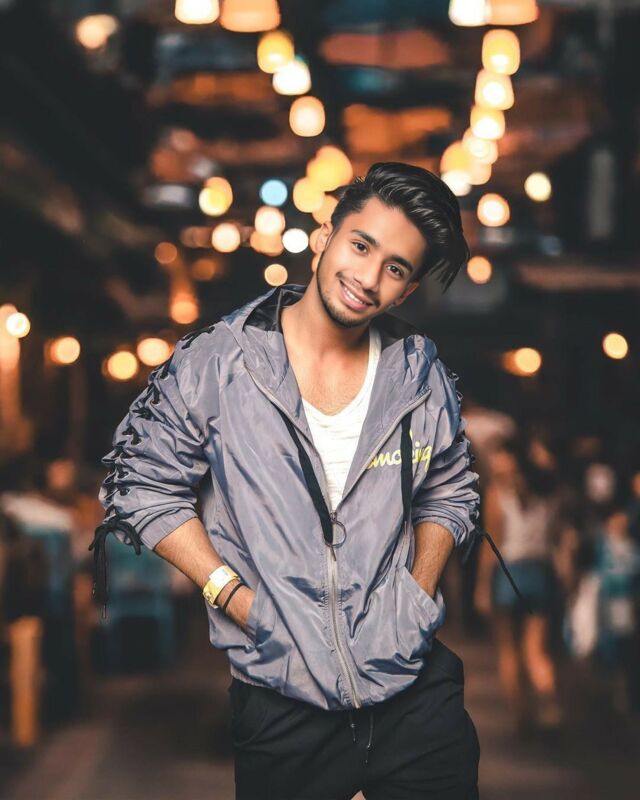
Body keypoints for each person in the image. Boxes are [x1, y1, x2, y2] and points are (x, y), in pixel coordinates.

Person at [90, 162, 515, 799]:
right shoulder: (219, 361)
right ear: (326, 235)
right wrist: (235, 598)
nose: (367, 279)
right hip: (281, 702)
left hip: (415, 698)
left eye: (395, 268)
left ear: (406, 291)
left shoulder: (418, 374)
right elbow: (140, 481)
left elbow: (450, 489)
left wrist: (417, 591)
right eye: (361, 246)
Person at [474, 438, 564, 734]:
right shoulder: (549, 493)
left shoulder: (497, 494)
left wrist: (482, 587)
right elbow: (557, 539)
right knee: (537, 649)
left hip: (508, 574)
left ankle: (520, 716)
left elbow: (491, 545)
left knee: (509, 650)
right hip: (540, 572)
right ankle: (549, 700)